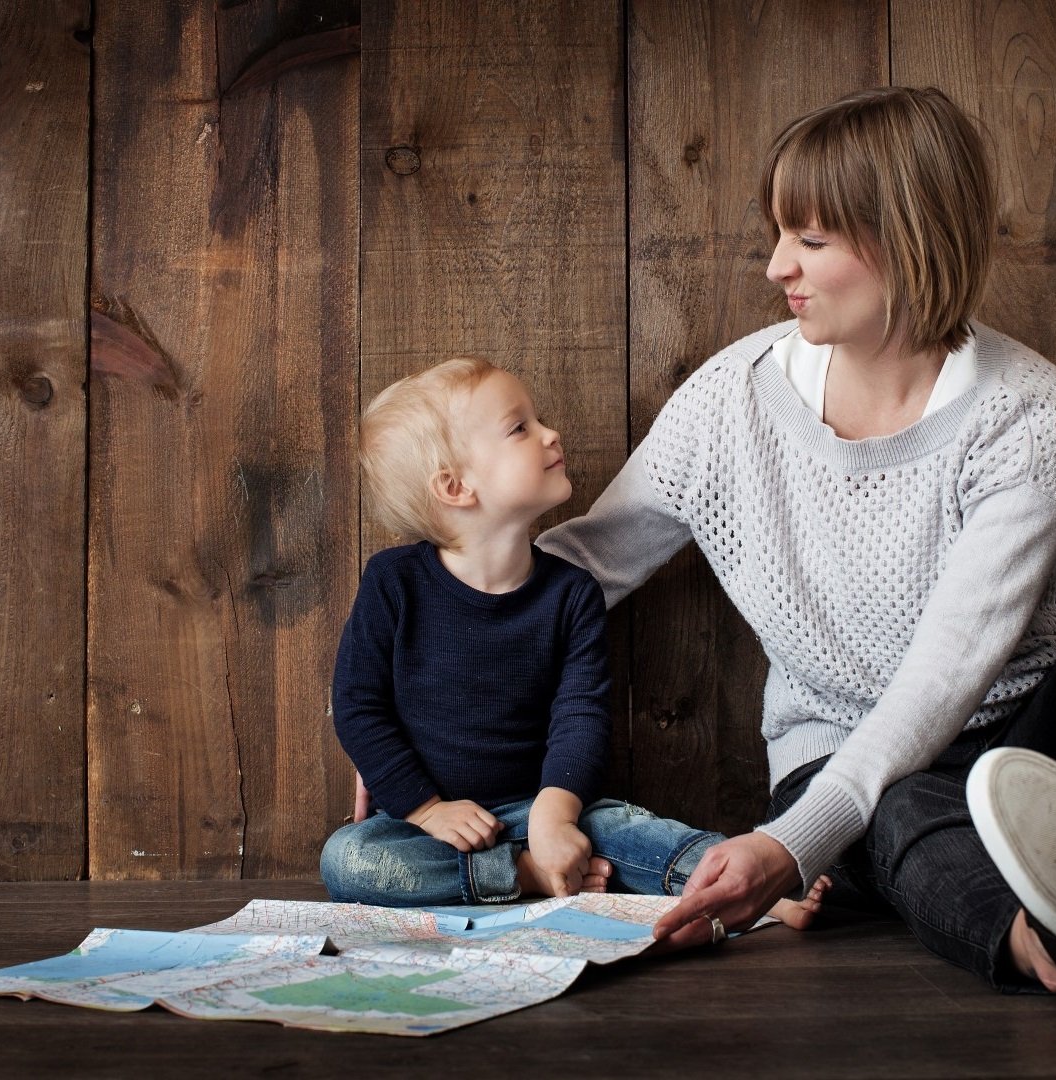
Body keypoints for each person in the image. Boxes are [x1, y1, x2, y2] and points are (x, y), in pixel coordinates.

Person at [537, 86, 1056, 1020]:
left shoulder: (1027, 416)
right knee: (903, 805)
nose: (775, 266)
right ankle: (1046, 938)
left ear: (904, 237)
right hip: (842, 764)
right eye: (780, 234)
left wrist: (792, 851)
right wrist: (417, 667)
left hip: (1036, 742)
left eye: (811, 239)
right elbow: (583, 566)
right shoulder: (731, 402)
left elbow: (946, 675)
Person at [320, 356, 826, 930]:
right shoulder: (394, 583)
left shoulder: (570, 593)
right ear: (455, 487)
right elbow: (359, 707)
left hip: (544, 804)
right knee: (350, 859)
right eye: (520, 428)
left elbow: (580, 715)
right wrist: (425, 808)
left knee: (631, 830)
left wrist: (556, 816)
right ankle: (526, 877)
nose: (549, 433)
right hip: (431, 825)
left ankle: (750, 884)